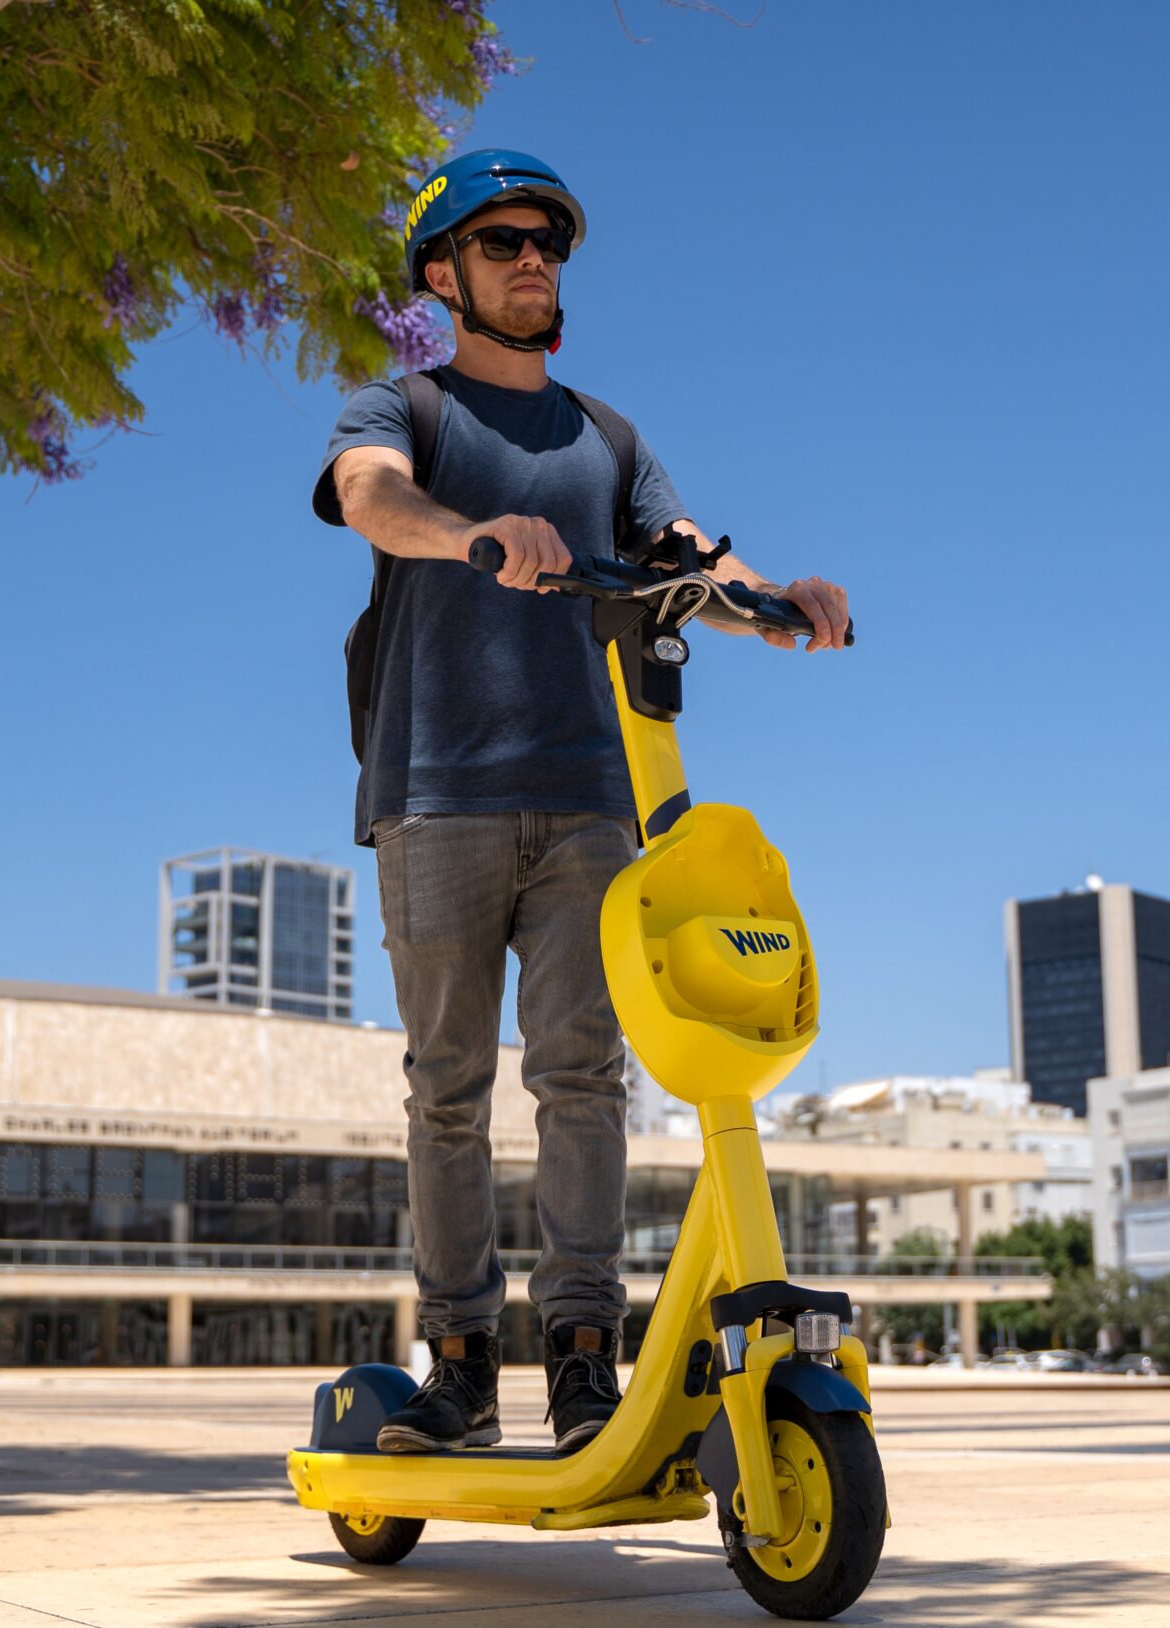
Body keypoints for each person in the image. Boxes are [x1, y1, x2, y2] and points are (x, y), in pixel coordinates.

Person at [312, 148, 851, 1453]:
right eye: (502, 243)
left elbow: (688, 559)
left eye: (546, 242)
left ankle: (580, 1357)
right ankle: (454, 1361)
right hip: (435, 792)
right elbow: (370, 500)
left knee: (584, 1080)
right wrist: (471, 535)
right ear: (443, 274)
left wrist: (781, 608)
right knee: (446, 1083)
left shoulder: (608, 438)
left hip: (594, 799)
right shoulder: (406, 411)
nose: (533, 260)